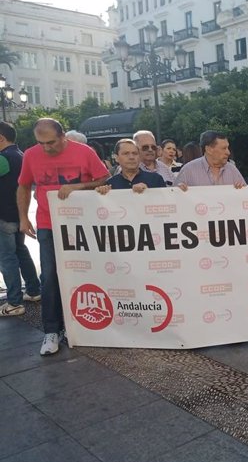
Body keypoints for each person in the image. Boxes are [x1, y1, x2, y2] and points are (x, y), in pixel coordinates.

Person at [17, 118, 109, 355]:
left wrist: (76, 187)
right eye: (41, 143)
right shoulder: (30, 155)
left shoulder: (84, 152)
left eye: (51, 143)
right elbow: (24, 186)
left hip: (82, 224)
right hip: (48, 224)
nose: (46, 148)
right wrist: (23, 218)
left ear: (63, 135)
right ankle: (51, 330)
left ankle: (80, 325)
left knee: (83, 273)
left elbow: (103, 179)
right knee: (49, 277)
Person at [0, 121, 41, 317]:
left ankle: (14, 302)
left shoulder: (3, 158)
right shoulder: (21, 155)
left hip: (3, 216)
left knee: (7, 259)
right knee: (21, 252)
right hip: (18, 215)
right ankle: (33, 290)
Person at [177, 130, 246, 188]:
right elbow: (173, 198)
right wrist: (179, 191)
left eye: (228, 148)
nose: (228, 152)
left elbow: (246, 196)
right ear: (209, 149)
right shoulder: (188, 171)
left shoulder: (232, 170)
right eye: (224, 148)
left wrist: (242, 190)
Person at [96, 139, 167, 195]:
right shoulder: (110, 184)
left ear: (139, 157)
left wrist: (148, 192)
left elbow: (167, 203)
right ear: (116, 158)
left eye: (135, 153)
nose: (131, 157)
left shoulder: (156, 179)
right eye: (126, 153)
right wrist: (102, 194)